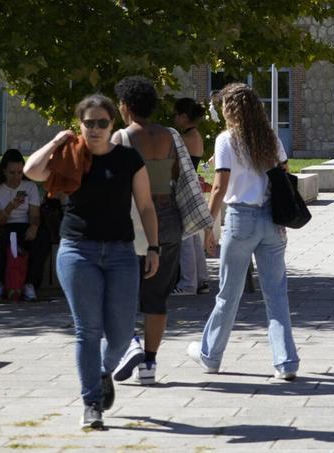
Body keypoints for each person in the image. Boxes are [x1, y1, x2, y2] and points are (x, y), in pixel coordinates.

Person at [24, 94, 160, 431]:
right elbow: (31, 171)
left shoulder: (129, 159)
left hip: (121, 253)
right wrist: (58, 139)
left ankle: (103, 372)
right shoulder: (70, 154)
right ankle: (91, 404)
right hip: (77, 252)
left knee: (122, 333)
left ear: (112, 124)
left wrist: (154, 247)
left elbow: (145, 206)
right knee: (88, 330)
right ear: (80, 125)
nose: (96, 129)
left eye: (102, 123)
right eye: (89, 123)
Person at [186, 82, 299, 381]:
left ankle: (211, 355)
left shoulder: (226, 140)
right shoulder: (270, 138)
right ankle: (285, 362)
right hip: (271, 219)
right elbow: (284, 176)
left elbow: (221, 186)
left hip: (240, 219)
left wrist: (209, 226)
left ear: (231, 109)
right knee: (276, 294)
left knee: (228, 293)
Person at [109, 77, 184, 386]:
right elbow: (178, 174)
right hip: (168, 220)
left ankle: (131, 345)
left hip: (134, 222)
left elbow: (112, 181)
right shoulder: (170, 136)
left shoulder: (122, 137)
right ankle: (150, 364)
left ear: (125, 106)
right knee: (157, 297)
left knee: (121, 293)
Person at [0, 148, 49, 302]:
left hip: (24, 225)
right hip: (4, 226)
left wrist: (33, 227)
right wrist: (11, 207)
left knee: (41, 239)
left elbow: (34, 214)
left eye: (20, 172)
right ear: (4, 171)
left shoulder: (29, 187)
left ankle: (30, 284)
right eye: (12, 173)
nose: (16, 177)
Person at [173, 97, 211, 295]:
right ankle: (201, 279)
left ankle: (188, 283)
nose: (174, 119)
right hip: (194, 184)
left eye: (176, 115)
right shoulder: (197, 136)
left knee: (185, 237)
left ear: (184, 117)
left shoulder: (183, 139)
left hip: (184, 187)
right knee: (194, 235)